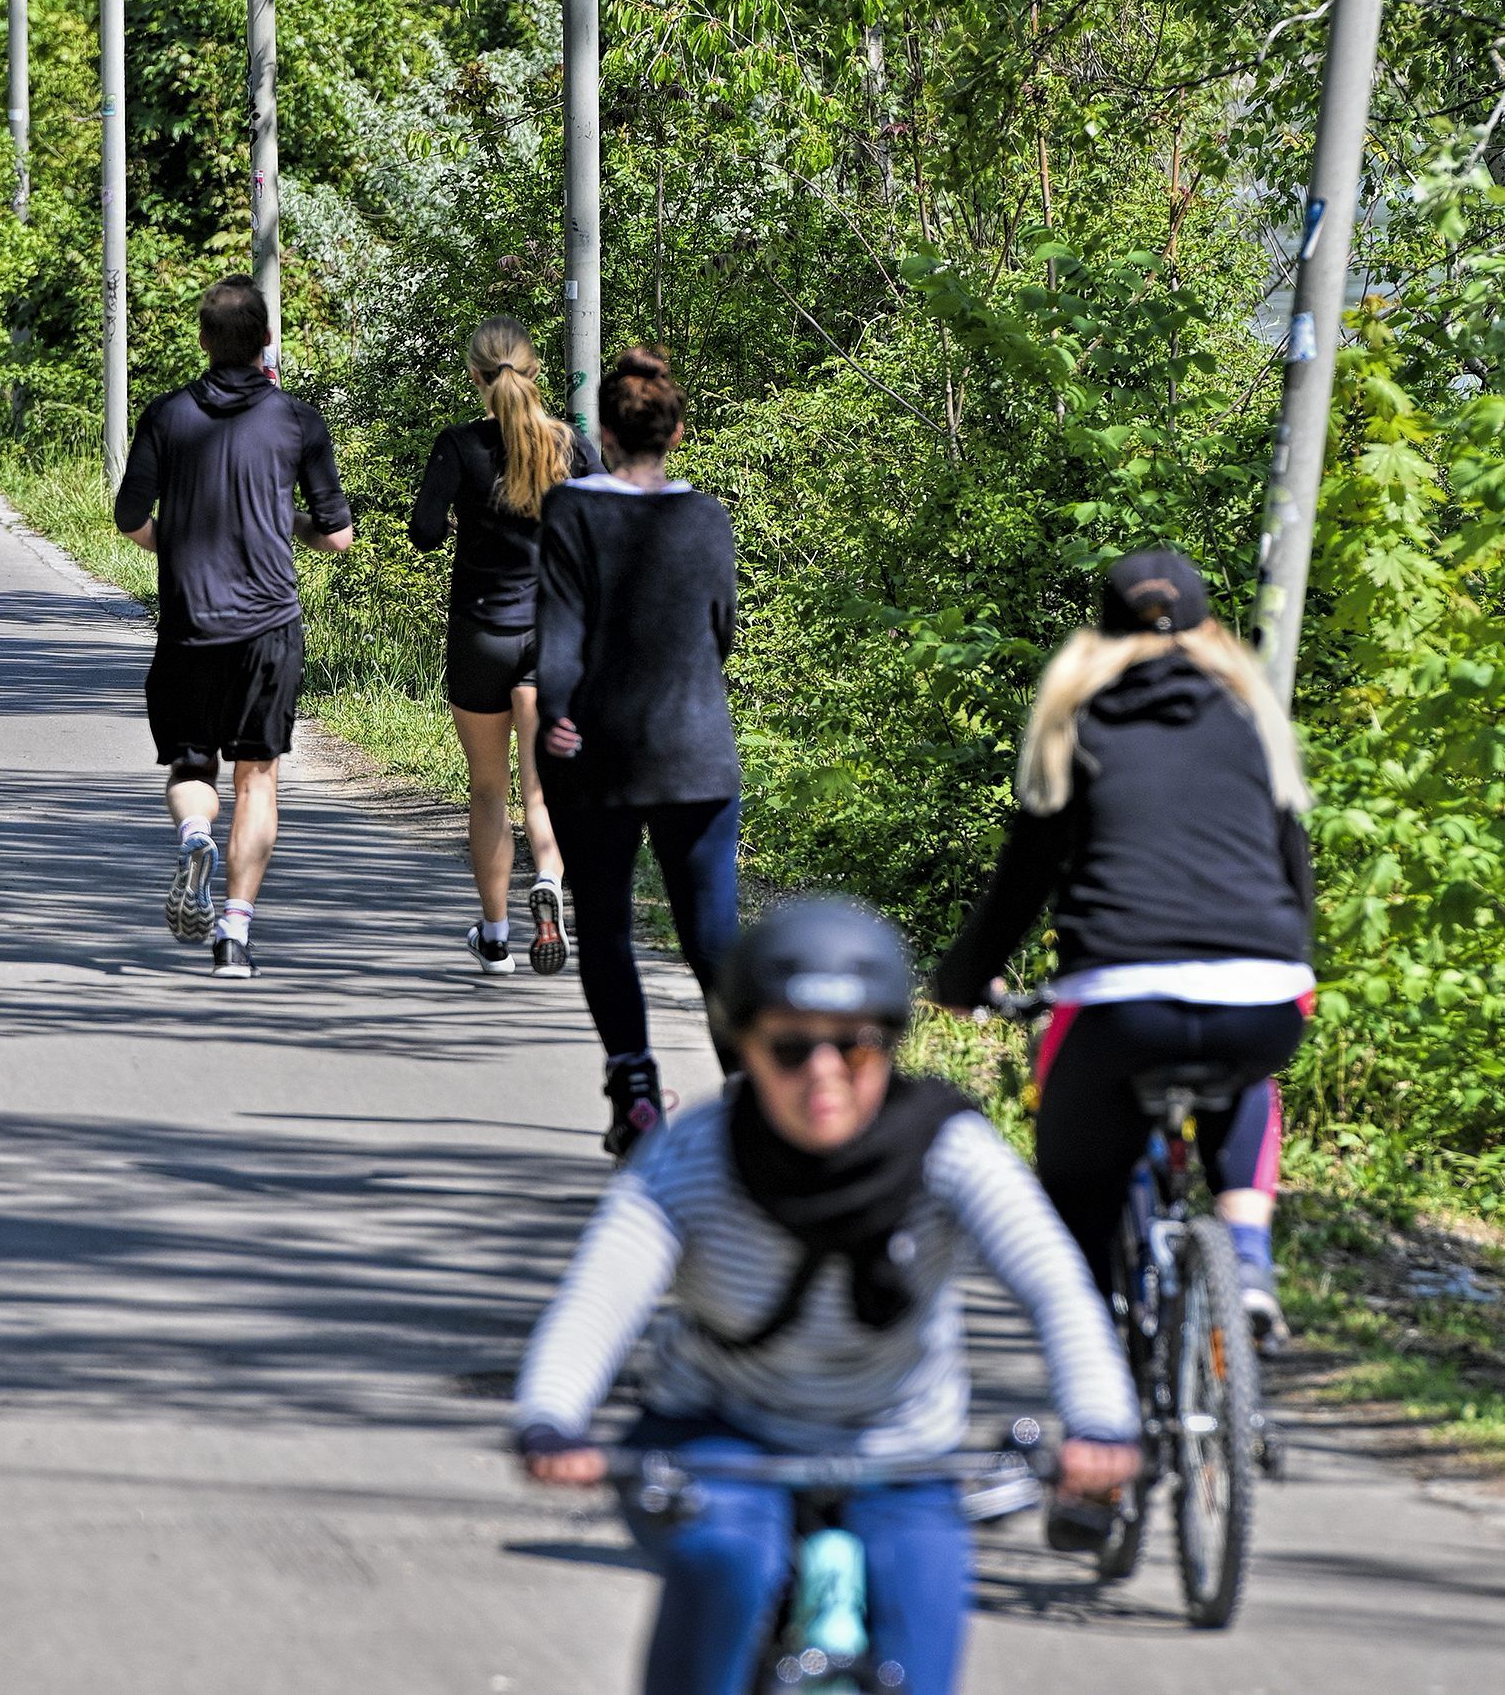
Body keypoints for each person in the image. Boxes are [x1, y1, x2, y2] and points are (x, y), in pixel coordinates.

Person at [516, 898, 1140, 1695]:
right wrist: (551, 1417)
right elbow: (600, 1297)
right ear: (743, 1043)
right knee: (726, 1560)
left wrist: (1099, 1421)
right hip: (723, 1435)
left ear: (887, 1048)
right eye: (790, 1046)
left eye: (854, 1047)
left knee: (925, 1622)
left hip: (903, 1446)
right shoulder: (696, 1156)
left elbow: (1055, 1283)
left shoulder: (947, 1147)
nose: (823, 1074)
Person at [932, 549, 1315, 1345]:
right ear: (1209, 628)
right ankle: (1247, 1260)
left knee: (1075, 1203)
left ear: (1099, 633)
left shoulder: (1079, 720)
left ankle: (1097, 1361)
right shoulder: (1253, 716)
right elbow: (1293, 867)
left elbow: (1022, 882)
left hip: (1118, 1002)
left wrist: (963, 982)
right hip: (1264, 988)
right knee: (1244, 1069)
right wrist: (1286, 968)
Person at [114, 273, 353, 979]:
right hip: (268, 630)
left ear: (203, 340)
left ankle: (194, 835)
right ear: (266, 341)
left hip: (190, 624)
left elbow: (131, 519)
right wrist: (290, 523)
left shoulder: (165, 415)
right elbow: (336, 537)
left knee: (192, 766)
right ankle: (234, 938)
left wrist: (180, 543)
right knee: (258, 777)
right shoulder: (298, 421)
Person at [534, 346, 741, 1156]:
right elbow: (721, 631)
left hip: (600, 754)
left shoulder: (571, 511)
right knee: (713, 938)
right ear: (678, 432)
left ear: (605, 437)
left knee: (610, 926)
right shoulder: (707, 516)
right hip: (697, 750)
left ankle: (637, 1091)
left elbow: (559, 636)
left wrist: (557, 713)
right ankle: (751, 1097)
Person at [408, 318, 601, 977]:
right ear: (535, 370)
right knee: (544, 792)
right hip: (554, 637)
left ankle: (494, 937)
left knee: (488, 793)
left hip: (482, 632)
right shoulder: (570, 447)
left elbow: (425, 532)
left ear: (475, 376)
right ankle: (547, 881)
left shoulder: (459, 446)